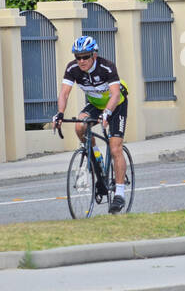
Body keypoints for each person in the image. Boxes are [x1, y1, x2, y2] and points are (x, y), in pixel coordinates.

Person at [53, 36, 130, 213]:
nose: (81, 61)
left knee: (115, 147)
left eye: (85, 56)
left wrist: (107, 113)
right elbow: (64, 94)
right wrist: (60, 113)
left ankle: (119, 193)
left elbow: (115, 95)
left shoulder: (107, 67)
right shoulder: (73, 69)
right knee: (80, 126)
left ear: (94, 55)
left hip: (116, 105)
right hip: (96, 104)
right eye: (77, 57)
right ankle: (95, 155)